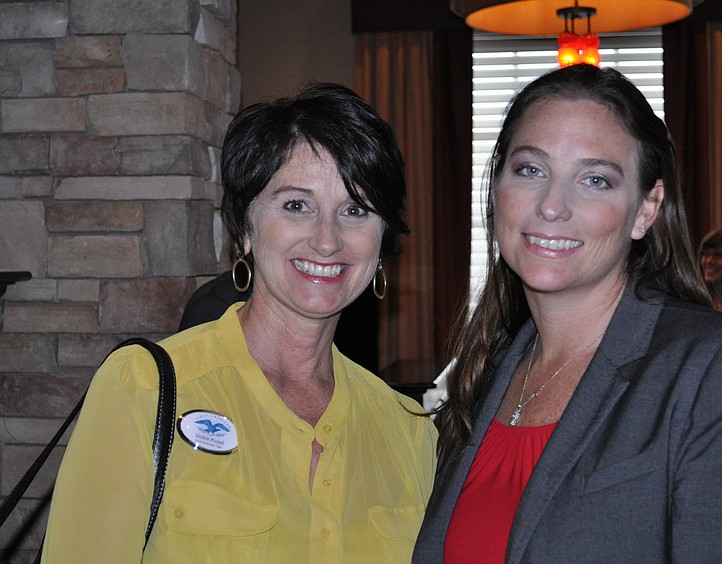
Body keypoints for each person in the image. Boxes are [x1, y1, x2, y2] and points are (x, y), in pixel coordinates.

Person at [412, 65, 722, 563]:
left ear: (646, 210)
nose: (552, 206)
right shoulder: (486, 374)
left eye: (595, 180)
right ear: (497, 187)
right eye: (531, 170)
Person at [42, 83, 437, 563]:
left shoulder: (409, 431)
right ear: (246, 228)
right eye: (297, 205)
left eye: (355, 210)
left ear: (382, 241)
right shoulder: (143, 388)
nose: (327, 240)